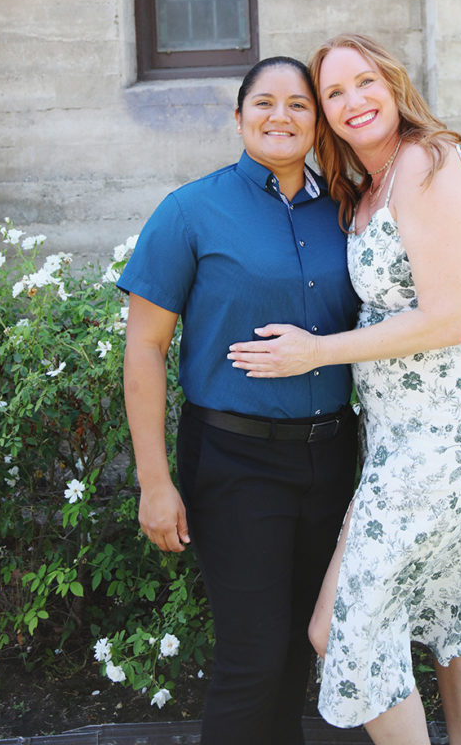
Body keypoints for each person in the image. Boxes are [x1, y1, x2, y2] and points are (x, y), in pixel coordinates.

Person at [227, 34, 461, 745]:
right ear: (325, 117)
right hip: (413, 443)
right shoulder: (373, 185)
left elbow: (447, 318)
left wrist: (316, 354)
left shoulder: (427, 161)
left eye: (363, 82)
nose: (352, 101)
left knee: (339, 628)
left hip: (443, 444)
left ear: (392, 84)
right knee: (451, 607)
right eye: (333, 93)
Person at [118, 57, 360, 745]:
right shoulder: (190, 210)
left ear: (318, 123)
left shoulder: (347, 211)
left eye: (298, 105)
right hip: (234, 459)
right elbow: (145, 350)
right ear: (237, 117)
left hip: (331, 454)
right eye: (264, 103)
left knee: (295, 652)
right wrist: (154, 482)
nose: (280, 116)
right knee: (252, 657)